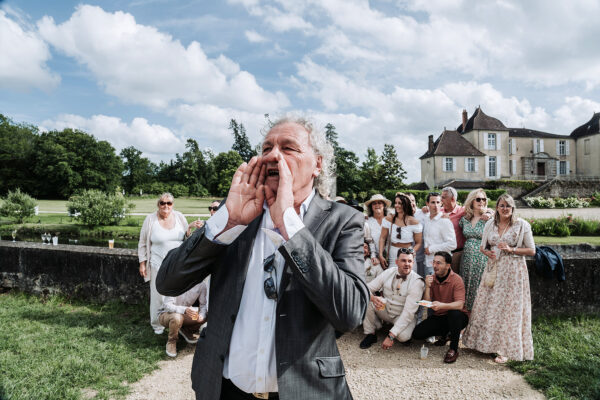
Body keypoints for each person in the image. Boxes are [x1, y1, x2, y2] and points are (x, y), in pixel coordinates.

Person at [156, 117, 369, 400]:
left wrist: (290, 227)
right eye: (266, 147)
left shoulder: (343, 221)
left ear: (317, 164)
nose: (272, 155)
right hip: (224, 388)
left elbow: (350, 312)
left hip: (303, 391)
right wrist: (227, 221)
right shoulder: (238, 214)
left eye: (288, 147)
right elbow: (168, 282)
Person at [462, 194, 535, 363]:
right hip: (493, 270)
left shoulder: (521, 225)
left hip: (513, 272)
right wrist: (487, 252)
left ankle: (506, 349)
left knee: (510, 309)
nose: (504, 209)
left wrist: (511, 249)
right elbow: (483, 247)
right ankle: (485, 344)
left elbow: (532, 251)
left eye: (508, 206)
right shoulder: (490, 223)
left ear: (513, 208)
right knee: (490, 306)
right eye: (501, 205)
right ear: (497, 207)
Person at [138, 193, 203, 334]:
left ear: (173, 205)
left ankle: (175, 322)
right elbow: (143, 243)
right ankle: (157, 325)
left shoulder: (179, 217)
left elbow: (186, 238)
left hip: (176, 264)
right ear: (158, 204)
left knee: (176, 294)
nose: (166, 206)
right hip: (157, 263)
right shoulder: (150, 220)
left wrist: (190, 227)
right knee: (157, 296)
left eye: (169, 203)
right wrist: (142, 263)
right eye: (162, 203)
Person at [360, 248, 424, 349]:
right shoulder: (389, 272)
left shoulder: (417, 282)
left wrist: (391, 336)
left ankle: (392, 329)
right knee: (366, 298)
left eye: (410, 261)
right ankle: (371, 334)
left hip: (402, 315)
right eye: (403, 260)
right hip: (385, 310)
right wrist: (372, 298)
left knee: (403, 337)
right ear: (396, 262)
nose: (407, 264)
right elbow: (366, 288)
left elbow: (408, 313)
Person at [411, 252, 469, 363]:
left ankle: (453, 349)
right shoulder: (431, 279)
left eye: (439, 263)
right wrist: (427, 286)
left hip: (459, 317)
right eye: (434, 262)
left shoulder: (457, 280)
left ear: (448, 266)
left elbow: (459, 304)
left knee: (454, 313)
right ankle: (446, 334)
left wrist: (442, 305)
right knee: (417, 334)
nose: (435, 265)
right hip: (440, 316)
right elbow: (427, 302)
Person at [458, 189, 489, 311]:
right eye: (478, 199)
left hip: (482, 257)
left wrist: (490, 213)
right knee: (465, 284)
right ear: (471, 201)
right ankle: (466, 316)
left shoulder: (488, 218)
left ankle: (478, 314)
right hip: (467, 257)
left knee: (479, 285)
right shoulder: (465, 219)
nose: (481, 202)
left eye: (484, 199)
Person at [159, 281, 208, 357]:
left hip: (185, 314)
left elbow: (203, 305)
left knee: (207, 314)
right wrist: (184, 310)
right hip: (165, 314)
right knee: (177, 317)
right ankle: (171, 342)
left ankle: (187, 331)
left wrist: (201, 316)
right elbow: (167, 305)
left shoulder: (202, 285)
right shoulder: (176, 281)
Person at [378, 193, 422, 269]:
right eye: (396, 203)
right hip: (393, 254)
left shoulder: (414, 222)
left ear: (406, 204)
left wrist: (411, 251)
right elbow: (382, 238)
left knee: (410, 278)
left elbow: (418, 243)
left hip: (408, 253)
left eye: (400, 203)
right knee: (393, 277)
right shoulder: (389, 219)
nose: (396, 205)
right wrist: (381, 254)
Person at [422, 192, 456, 276]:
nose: (436, 205)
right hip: (427, 263)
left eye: (438, 202)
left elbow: (452, 244)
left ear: (441, 203)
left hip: (441, 265)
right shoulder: (425, 219)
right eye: (433, 202)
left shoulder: (445, 221)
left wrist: (431, 249)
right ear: (427, 204)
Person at [364, 194, 390, 269]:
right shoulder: (367, 222)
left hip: (391, 257)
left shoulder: (390, 220)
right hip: (375, 259)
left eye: (379, 203)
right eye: (374, 203)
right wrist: (373, 256)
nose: (377, 205)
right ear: (371, 207)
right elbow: (367, 241)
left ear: (384, 205)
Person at [408, 193, 427, 277]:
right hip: (409, 257)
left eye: (413, 200)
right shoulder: (401, 216)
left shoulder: (423, 213)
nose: (411, 203)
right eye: (408, 201)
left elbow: (436, 209)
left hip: (423, 256)